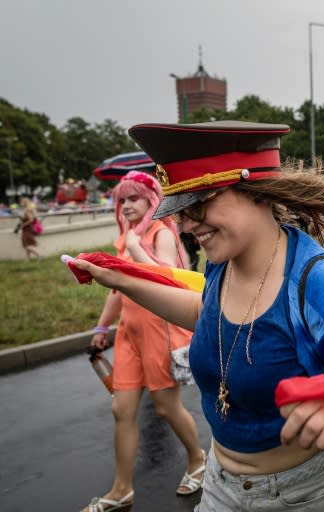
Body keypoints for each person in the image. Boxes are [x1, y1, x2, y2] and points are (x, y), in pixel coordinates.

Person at [73, 121, 324, 512]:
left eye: (198, 205)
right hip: (218, 486)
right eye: (180, 210)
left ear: (257, 192)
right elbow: (207, 314)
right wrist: (119, 278)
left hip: (305, 497)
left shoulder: (317, 286)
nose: (184, 224)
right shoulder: (224, 259)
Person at [82, 171, 205, 512]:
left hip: (158, 331)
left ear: (151, 200)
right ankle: (121, 489)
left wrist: (138, 248)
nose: (126, 205)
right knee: (121, 410)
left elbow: (166, 279)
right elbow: (117, 289)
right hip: (128, 333)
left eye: (134, 198)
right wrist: (101, 328)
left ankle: (197, 460)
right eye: (122, 199)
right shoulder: (125, 239)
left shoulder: (159, 233)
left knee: (166, 406)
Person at [17, 196, 41, 261]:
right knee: (27, 243)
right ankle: (28, 258)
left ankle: (38, 255)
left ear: (24, 202)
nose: (20, 203)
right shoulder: (26, 209)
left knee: (26, 245)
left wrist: (23, 225)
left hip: (28, 229)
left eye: (22, 202)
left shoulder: (27, 210)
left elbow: (31, 219)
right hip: (26, 229)